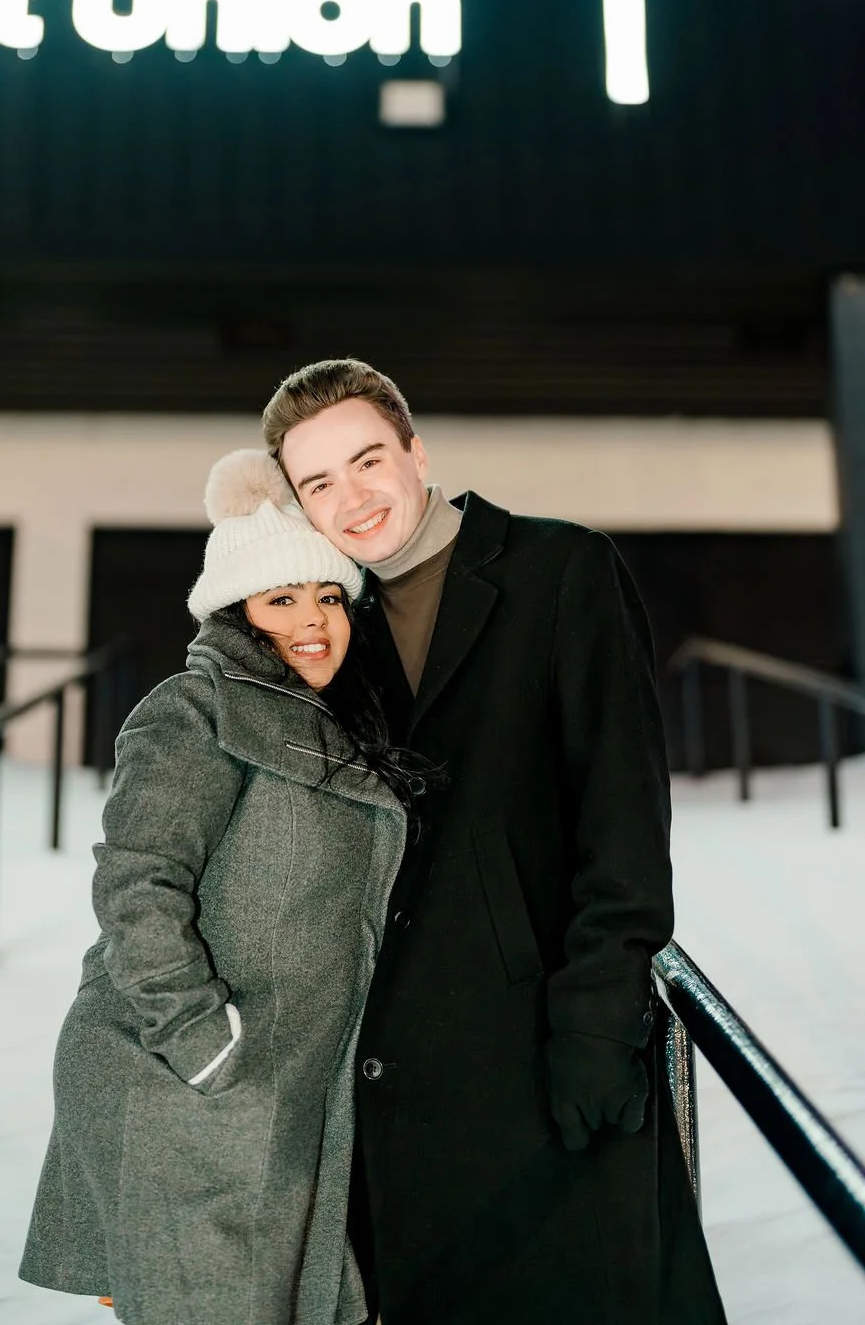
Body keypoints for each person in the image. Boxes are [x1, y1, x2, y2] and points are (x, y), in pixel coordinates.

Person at [261, 360, 729, 1325]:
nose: (352, 498)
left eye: (368, 460)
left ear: (416, 452)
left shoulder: (561, 569)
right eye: (318, 482)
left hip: (541, 1055)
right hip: (390, 1086)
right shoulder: (325, 629)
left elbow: (623, 819)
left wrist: (597, 1025)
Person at [19, 448, 425, 1325]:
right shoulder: (195, 708)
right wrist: (202, 1041)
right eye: (282, 600)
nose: (313, 621)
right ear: (238, 614)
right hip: (188, 1085)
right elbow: (138, 882)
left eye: (329, 597)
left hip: (283, 1093)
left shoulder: (340, 725)